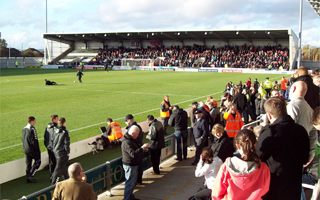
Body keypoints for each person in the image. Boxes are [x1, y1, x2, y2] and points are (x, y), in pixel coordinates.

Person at [256, 97, 310, 200]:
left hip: (274, 187)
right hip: (294, 185)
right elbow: (305, 158)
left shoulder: (270, 132)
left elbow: (257, 156)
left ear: (269, 115)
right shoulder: (301, 130)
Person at [212, 129, 270, 200]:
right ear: (255, 145)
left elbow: (216, 194)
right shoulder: (263, 168)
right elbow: (265, 190)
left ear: (237, 145)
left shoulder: (226, 167)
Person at [121, 125, 149, 200]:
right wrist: (142, 148)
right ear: (133, 133)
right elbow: (133, 154)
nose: (138, 136)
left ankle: (130, 197)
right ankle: (127, 198)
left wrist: (143, 149)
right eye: (137, 134)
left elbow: (136, 150)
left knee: (132, 183)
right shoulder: (126, 142)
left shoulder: (131, 139)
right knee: (130, 183)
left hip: (133, 164)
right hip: (130, 165)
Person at [125, 114, 144, 185]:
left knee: (136, 167)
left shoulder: (133, 128)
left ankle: (136, 182)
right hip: (139, 148)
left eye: (126, 122)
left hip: (136, 150)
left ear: (129, 120)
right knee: (139, 166)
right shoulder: (137, 126)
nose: (126, 123)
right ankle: (139, 180)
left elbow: (131, 139)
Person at [51, 117, 70, 184]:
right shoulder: (65, 132)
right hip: (62, 152)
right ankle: (53, 183)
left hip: (56, 151)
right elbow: (66, 143)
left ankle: (67, 179)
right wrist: (68, 152)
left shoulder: (55, 130)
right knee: (58, 168)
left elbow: (52, 140)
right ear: (64, 123)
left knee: (63, 166)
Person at [22, 116, 41, 183]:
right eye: (35, 121)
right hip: (32, 149)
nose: (35, 122)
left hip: (25, 149)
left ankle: (27, 177)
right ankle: (30, 176)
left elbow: (23, 139)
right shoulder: (32, 129)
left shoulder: (24, 128)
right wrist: (38, 150)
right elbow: (35, 141)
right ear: (32, 121)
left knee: (28, 164)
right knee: (38, 161)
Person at [44, 114, 59, 179]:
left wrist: (47, 145)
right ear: (54, 119)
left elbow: (45, 136)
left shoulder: (48, 126)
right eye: (57, 119)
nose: (58, 120)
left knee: (51, 161)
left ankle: (52, 175)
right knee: (54, 162)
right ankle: (53, 176)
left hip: (49, 146)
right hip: (53, 147)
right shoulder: (55, 128)